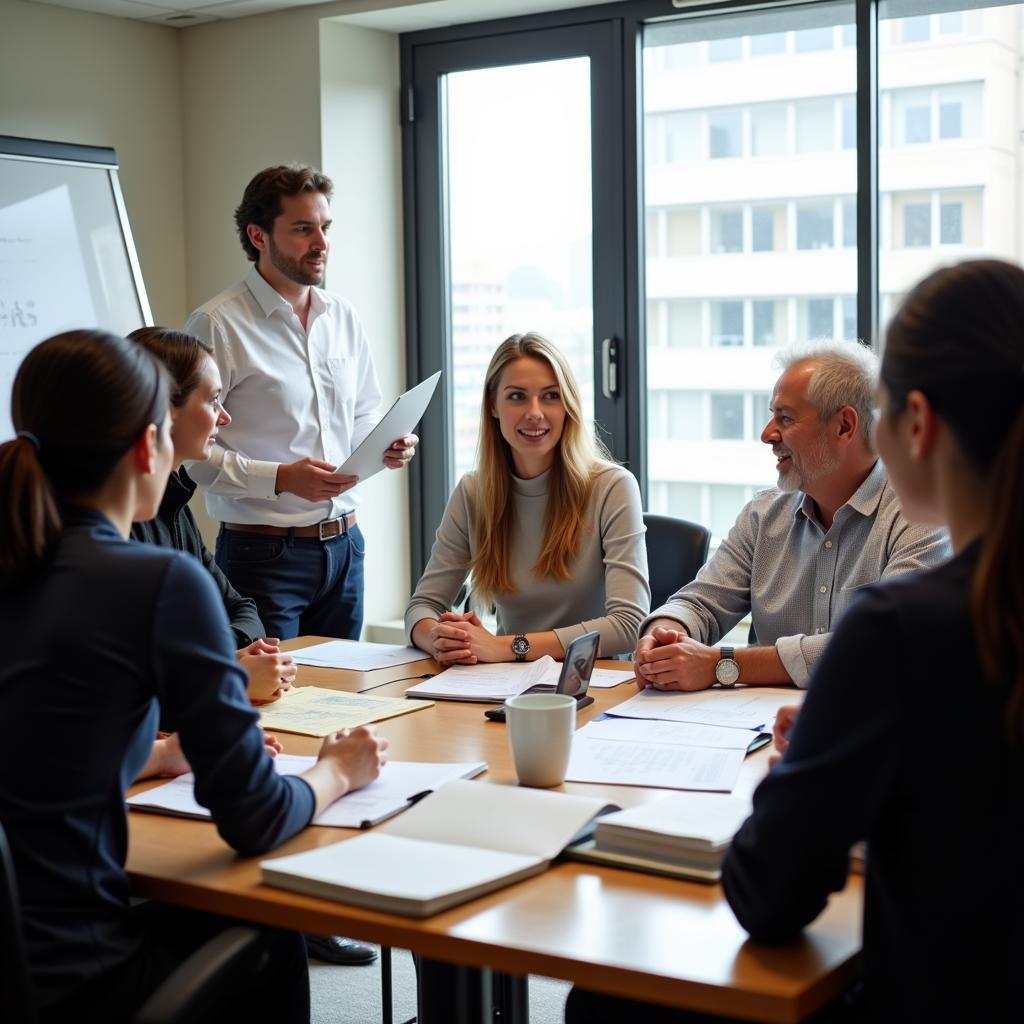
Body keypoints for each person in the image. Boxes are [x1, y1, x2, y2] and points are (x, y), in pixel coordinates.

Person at [567, 258, 1024, 1023]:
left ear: (915, 423)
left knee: (604, 1003)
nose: (766, 434)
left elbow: (766, 894)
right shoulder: (777, 523)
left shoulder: (902, 624)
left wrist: (809, 760)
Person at [0, 330, 388, 1023]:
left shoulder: (19, 563)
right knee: (270, 930)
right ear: (149, 447)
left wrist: (157, 754)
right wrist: (339, 771)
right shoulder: (154, 582)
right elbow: (258, 818)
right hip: (82, 978)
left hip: (23, 965)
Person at [184, 163, 417, 643]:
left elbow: (362, 412)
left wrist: (386, 445)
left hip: (346, 549)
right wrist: (280, 479)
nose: (322, 243)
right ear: (259, 235)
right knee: (279, 707)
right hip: (263, 556)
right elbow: (190, 452)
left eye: (325, 228)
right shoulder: (217, 324)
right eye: (303, 229)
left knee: (343, 701)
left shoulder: (343, 315)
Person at [635, 339, 948, 692]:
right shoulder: (763, 514)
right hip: (755, 729)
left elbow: (884, 643)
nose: (767, 434)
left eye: (785, 418)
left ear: (844, 426)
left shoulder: (922, 514)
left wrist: (723, 665)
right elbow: (701, 602)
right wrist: (664, 636)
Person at [405, 332, 649, 664]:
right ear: (493, 405)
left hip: (595, 685)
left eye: (550, 396)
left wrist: (507, 647)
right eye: (517, 397)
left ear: (567, 406)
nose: (534, 413)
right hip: (505, 686)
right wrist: (441, 639)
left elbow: (627, 626)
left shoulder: (612, 487)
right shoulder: (473, 493)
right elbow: (422, 607)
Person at [128, 326, 295, 704]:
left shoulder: (174, 501)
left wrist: (225, 661)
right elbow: (138, 672)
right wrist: (227, 670)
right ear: (167, 410)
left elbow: (242, 609)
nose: (225, 418)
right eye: (213, 401)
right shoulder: (113, 524)